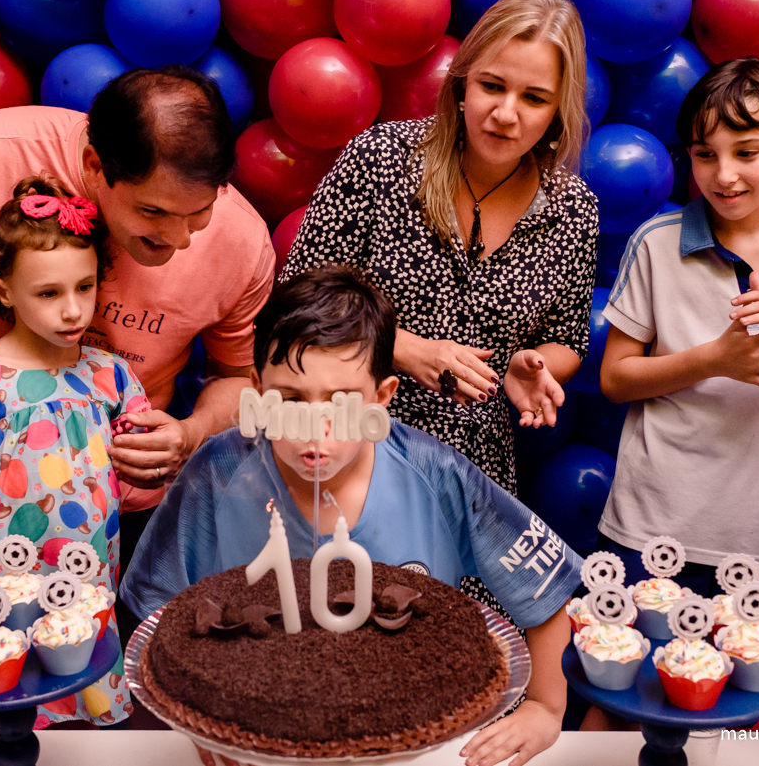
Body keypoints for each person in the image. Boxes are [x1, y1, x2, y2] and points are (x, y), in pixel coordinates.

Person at [121, 266, 584, 766]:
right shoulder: (219, 470)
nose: (314, 429)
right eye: (290, 400)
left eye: (341, 403)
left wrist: (544, 705)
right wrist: (203, 724)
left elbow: (545, 587)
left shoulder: (436, 472)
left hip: (409, 740)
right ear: (257, 391)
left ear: (382, 398)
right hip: (256, 738)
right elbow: (159, 613)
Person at [0, 67, 275, 589]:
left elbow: (238, 375)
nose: (179, 239)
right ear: (95, 165)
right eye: (153, 211)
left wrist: (188, 435)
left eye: (198, 213)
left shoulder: (244, 242)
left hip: (120, 513)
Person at [279, 0, 598, 498]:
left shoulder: (573, 208)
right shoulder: (381, 158)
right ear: (462, 83)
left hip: (469, 477)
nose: (506, 113)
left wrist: (533, 364)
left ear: (558, 110)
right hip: (343, 452)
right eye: (493, 85)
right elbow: (297, 299)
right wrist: (404, 350)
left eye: (534, 98)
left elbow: (567, 338)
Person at [597, 57, 759, 606]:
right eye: (704, 155)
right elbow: (616, 379)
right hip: (648, 523)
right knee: (622, 682)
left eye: (746, 153)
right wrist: (716, 359)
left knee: (730, 684)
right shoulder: (657, 242)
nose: (724, 175)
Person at [0, 176, 147, 727]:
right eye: (49, 293)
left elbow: (143, 466)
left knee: (81, 706)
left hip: (88, 576)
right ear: (4, 291)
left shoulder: (111, 376)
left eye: (85, 287)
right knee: (8, 707)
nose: (73, 310)